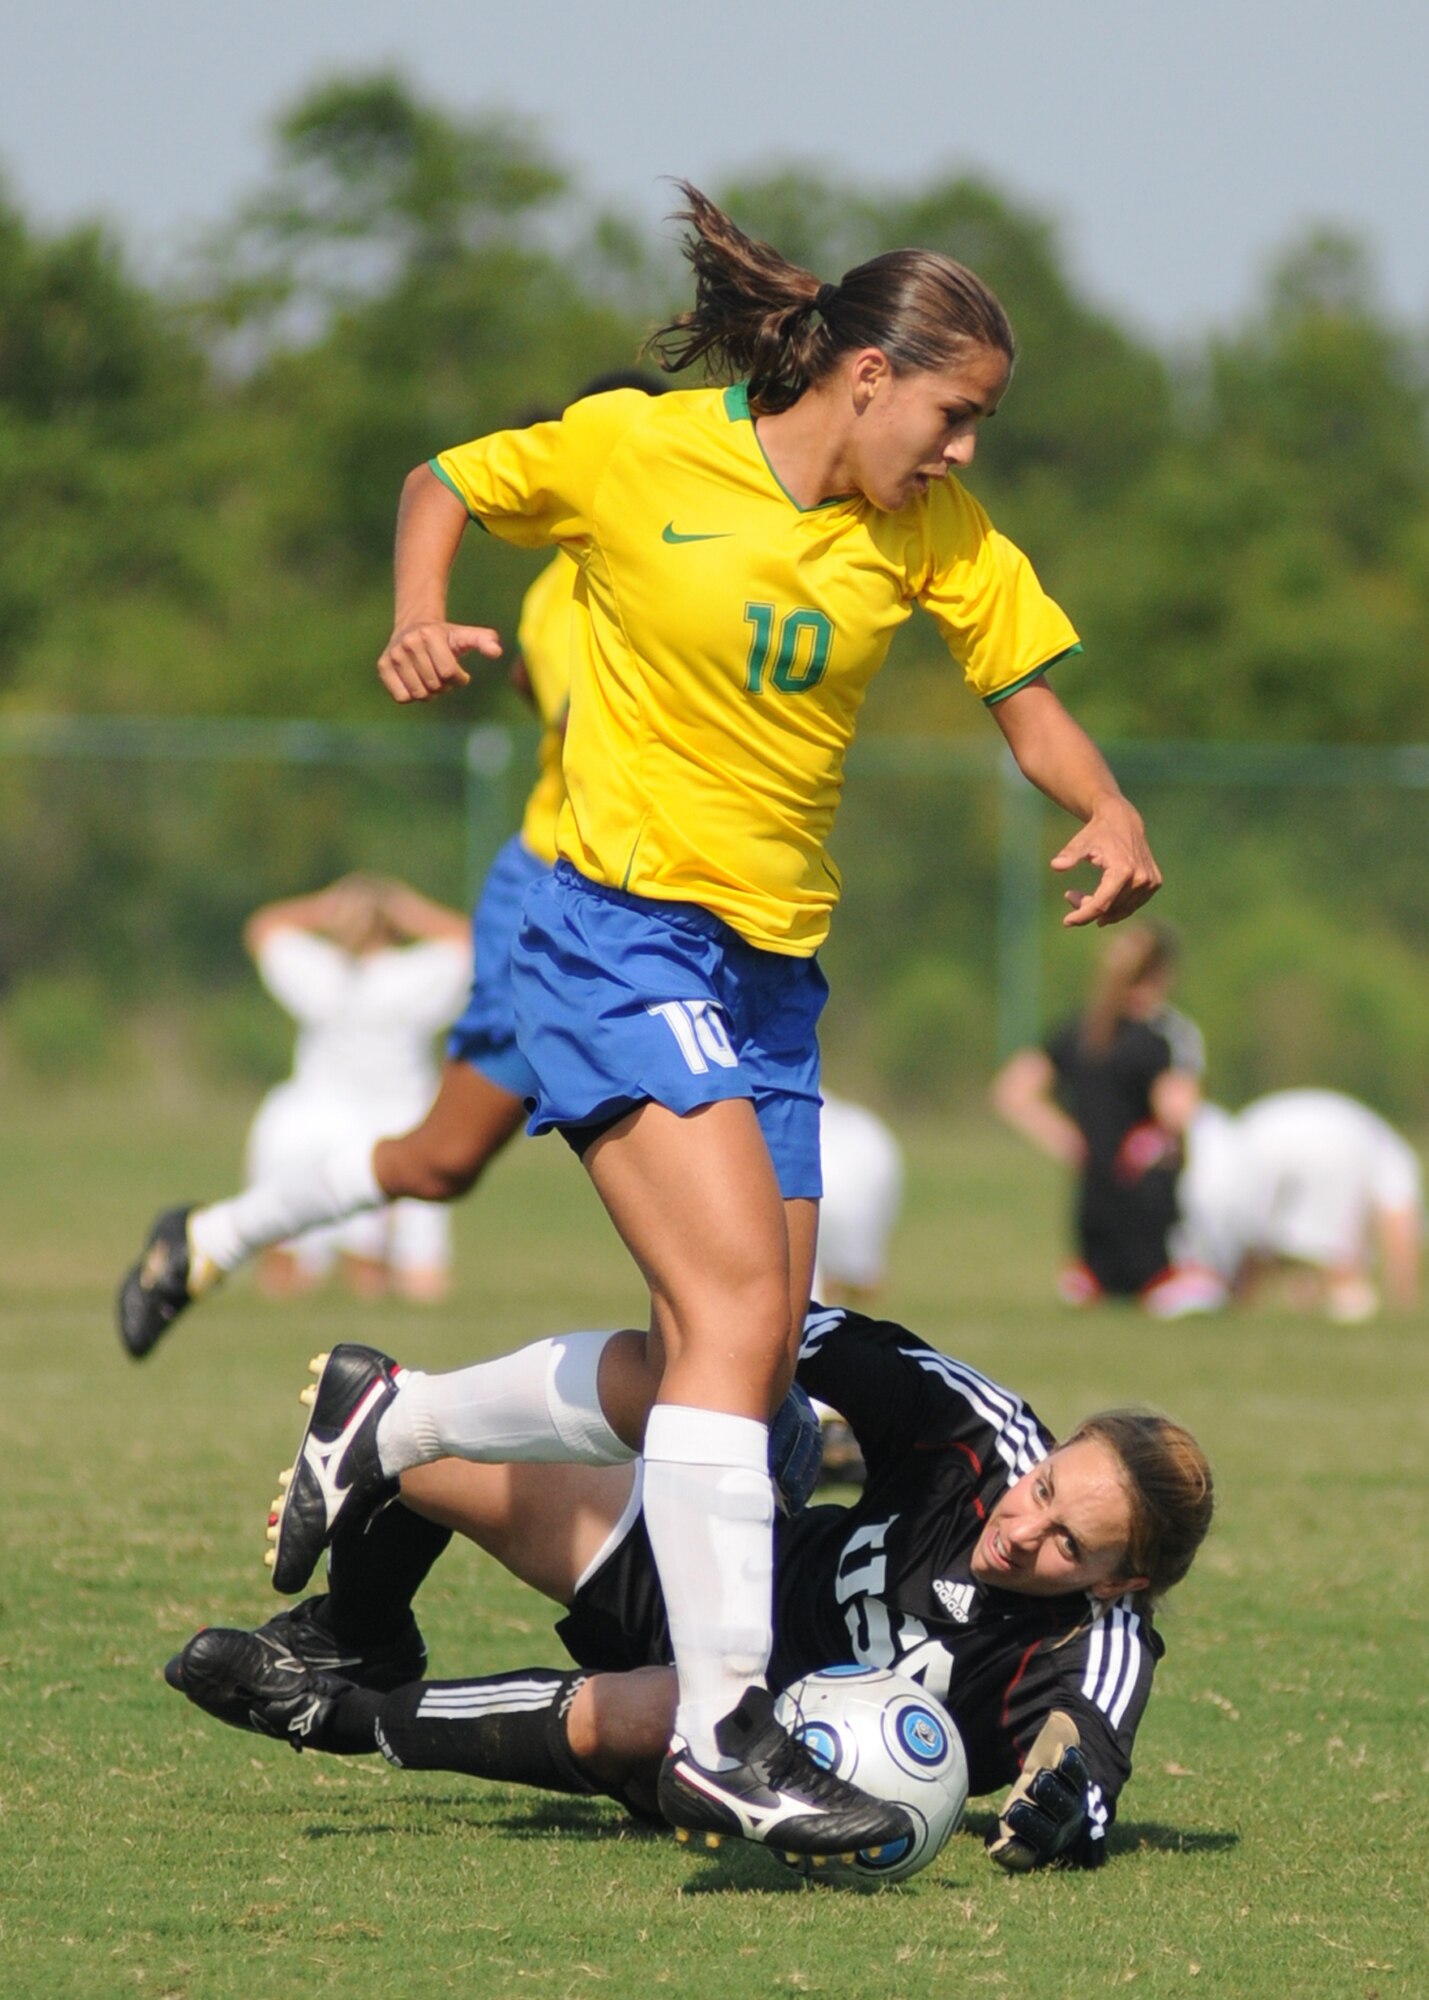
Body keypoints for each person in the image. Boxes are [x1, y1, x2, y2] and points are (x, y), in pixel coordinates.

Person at [266, 182, 1163, 1858]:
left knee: (747, 1378)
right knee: (740, 1301)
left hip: (767, 976)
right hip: (611, 930)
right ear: (868, 373)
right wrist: (413, 607)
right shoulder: (640, 450)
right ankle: (728, 1726)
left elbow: (1023, 700)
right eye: (953, 415)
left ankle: (399, 1421)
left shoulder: (932, 539)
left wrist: (1103, 804)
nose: (964, 452)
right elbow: (442, 478)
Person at [168, 1306, 1214, 1874]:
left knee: (660, 1704)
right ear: (1054, 1445)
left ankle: (341, 1713)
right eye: (1041, 1490)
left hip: (747, 1745)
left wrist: (1058, 1793)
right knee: (415, 1456)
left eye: (1065, 1543)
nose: (1020, 1528)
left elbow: (1078, 1747)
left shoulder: (1105, 1634)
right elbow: (805, 1327)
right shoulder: (978, 1434)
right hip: (712, 1566)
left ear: (1117, 1577)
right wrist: (745, 1364)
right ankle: (360, 1636)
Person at [115, 371, 665, 1360]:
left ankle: (213, 1236)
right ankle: (229, 1248)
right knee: (450, 1156)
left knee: (462, 1160)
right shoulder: (561, 599)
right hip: (563, 895)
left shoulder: (681, 565)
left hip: (662, 905)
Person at [235, 875, 471, 1303]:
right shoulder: (415, 974)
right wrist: (407, 909)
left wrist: (325, 907)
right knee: (415, 1270)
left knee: (288, 1256)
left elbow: (263, 928)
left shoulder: (321, 971)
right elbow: (473, 943)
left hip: (317, 1119)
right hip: (400, 1121)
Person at [990, 922, 1214, 1315]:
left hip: (1091, 1219)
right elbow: (1176, 1113)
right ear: (1163, 973)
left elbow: (1013, 1091)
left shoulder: (1082, 1031)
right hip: (1152, 1218)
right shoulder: (1165, 1034)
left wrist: (1075, 1144)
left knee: (1098, 1298)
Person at [1176, 1089, 1423, 1321]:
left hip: (1251, 1137)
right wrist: (1403, 1304)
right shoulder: (1395, 1158)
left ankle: (1232, 1308)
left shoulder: (1372, 1137)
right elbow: (1399, 1226)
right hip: (1321, 1146)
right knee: (1336, 1266)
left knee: (1252, 1247)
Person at [810, 1090, 906, 1484]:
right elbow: (864, 1284)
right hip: (869, 1151)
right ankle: (834, 1421)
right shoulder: (857, 1124)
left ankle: (822, 1422)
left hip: (817, 1159)